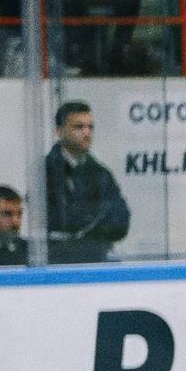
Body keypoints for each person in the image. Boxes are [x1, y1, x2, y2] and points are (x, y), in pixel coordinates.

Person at [42, 101, 129, 262]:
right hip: (59, 261)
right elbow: (59, 222)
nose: (87, 133)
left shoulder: (101, 173)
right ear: (59, 131)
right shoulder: (44, 172)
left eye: (90, 127)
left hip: (97, 258)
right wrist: (95, 225)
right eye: (78, 127)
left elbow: (121, 220)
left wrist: (88, 232)